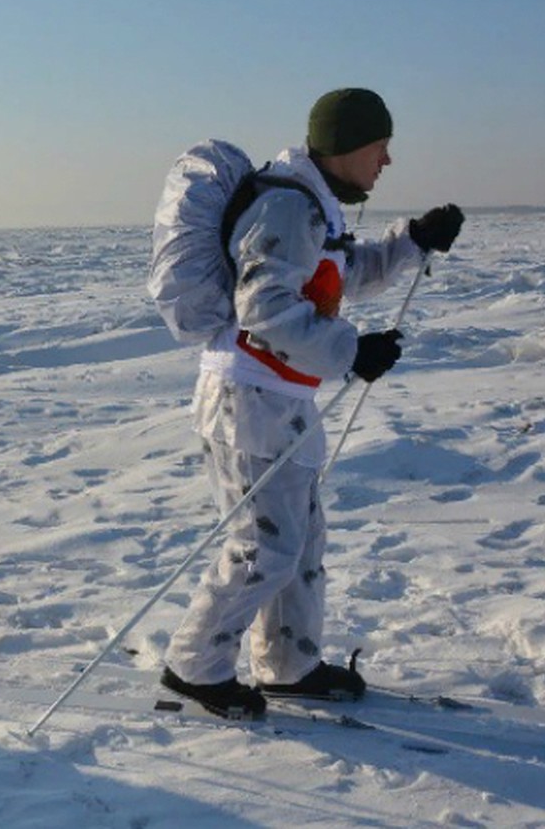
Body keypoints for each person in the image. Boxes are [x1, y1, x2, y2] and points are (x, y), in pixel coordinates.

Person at [160, 89, 464, 717]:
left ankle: (289, 663)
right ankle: (195, 668)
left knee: (298, 543)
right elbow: (266, 311)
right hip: (248, 402)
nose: (386, 161)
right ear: (349, 146)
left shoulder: (310, 209)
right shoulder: (287, 209)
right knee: (262, 546)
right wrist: (351, 350)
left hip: (279, 403)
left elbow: (340, 275)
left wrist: (413, 241)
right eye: (380, 147)